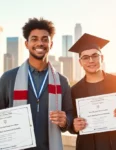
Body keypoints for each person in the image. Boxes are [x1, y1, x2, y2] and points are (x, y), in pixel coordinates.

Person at [0, 18, 73, 150]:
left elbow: (70, 113)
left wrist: (65, 120)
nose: (40, 43)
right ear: (26, 44)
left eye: (45, 39)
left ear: (51, 44)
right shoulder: (8, 78)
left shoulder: (62, 81)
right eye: (34, 39)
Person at [69, 33, 116, 150]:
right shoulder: (74, 90)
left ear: (102, 58)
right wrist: (73, 126)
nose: (91, 60)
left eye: (95, 55)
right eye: (85, 57)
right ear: (80, 62)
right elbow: (70, 121)